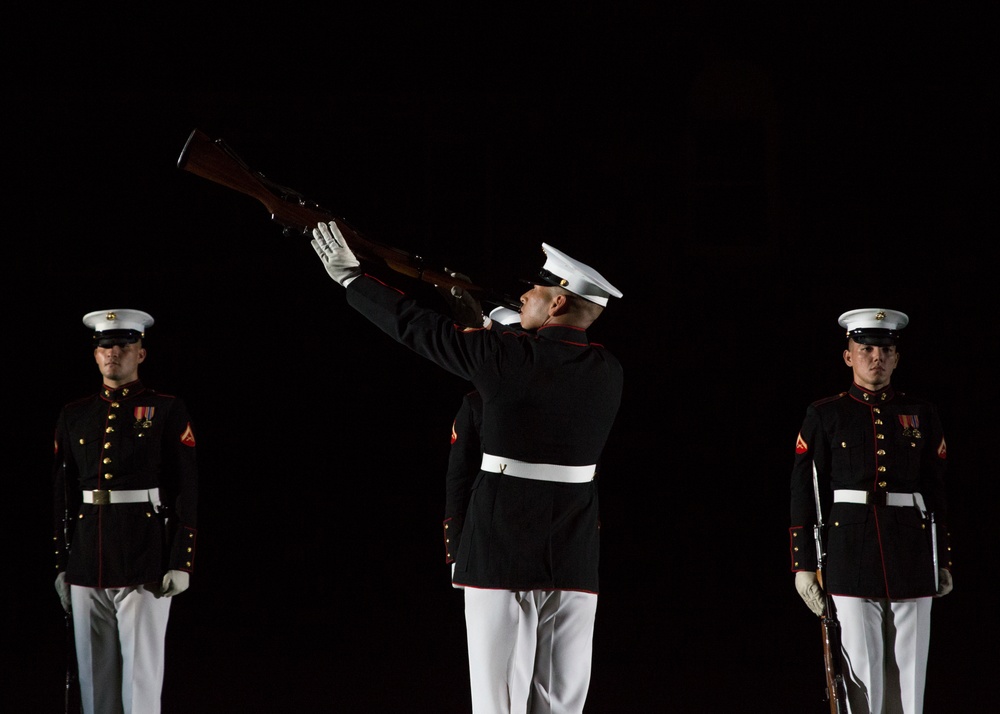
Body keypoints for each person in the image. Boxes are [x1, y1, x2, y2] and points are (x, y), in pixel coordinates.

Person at [310, 221, 623, 714]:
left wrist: (355, 280)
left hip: (502, 542)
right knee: (561, 701)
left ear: (558, 302)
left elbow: (418, 328)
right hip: (575, 549)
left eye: (533, 291)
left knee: (497, 699)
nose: (524, 298)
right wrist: (483, 327)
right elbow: (533, 364)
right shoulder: (608, 370)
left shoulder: (505, 358)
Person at [789, 308, 953, 714]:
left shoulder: (921, 412)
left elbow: (938, 489)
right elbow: (803, 490)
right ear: (848, 356)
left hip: (912, 549)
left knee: (912, 670)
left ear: (896, 358)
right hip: (849, 548)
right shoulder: (825, 414)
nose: (875, 358)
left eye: (885, 351)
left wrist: (943, 559)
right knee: (860, 669)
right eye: (865, 349)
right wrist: (803, 565)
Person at [52, 309, 199, 714]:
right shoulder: (74, 414)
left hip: (144, 553)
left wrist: (181, 560)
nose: (113, 352)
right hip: (86, 556)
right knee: (93, 684)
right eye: (105, 345)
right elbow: (62, 493)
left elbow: (186, 485)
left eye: (123, 345)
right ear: (95, 355)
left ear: (141, 353)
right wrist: (62, 564)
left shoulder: (165, 409)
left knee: (140, 678)